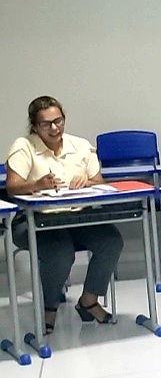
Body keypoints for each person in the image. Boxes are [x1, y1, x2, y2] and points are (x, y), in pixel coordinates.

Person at [5, 96, 124, 333]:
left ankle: (88, 301)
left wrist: (86, 182)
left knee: (111, 240)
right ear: (34, 126)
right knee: (60, 251)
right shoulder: (23, 146)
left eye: (58, 121)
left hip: (76, 216)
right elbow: (12, 185)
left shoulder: (80, 145)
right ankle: (49, 307)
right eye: (46, 124)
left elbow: (99, 181)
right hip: (35, 220)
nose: (54, 128)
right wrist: (37, 185)